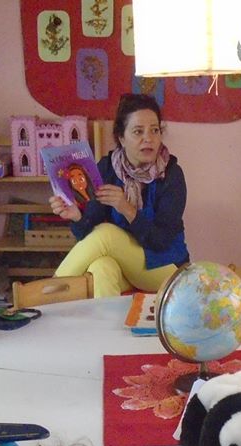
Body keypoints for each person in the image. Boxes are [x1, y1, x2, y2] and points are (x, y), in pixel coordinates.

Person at [49, 93, 189, 297]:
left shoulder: (172, 174)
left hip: (166, 267)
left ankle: (46, 297)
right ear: (122, 138)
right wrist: (77, 217)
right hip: (126, 268)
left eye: (154, 130)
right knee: (101, 267)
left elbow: (161, 240)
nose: (148, 138)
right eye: (138, 131)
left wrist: (127, 209)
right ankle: (109, 328)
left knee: (107, 233)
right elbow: (87, 236)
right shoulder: (106, 168)